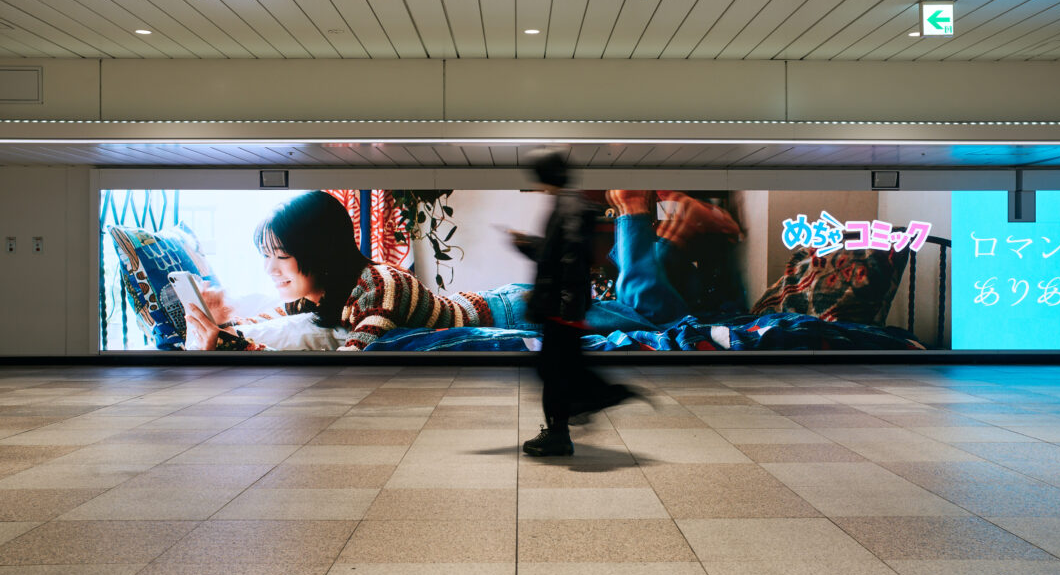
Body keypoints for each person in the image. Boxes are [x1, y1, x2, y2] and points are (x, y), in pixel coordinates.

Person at [184, 187, 741, 356]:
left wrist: (237, 352)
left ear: (320, 253)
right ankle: (685, 233)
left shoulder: (373, 287)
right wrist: (228, 326)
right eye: (267, 257)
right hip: (502, 298)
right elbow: (272, 316)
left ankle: (640, 213)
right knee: (628, 303)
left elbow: (352, 358)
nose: (271, 269)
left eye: (280, 256)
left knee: (646, 316)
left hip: (515, 308)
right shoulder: (327, 292)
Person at [516, 150, 644, 457]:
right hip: (565, 306)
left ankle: (562, 431)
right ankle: (593, 402)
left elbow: (570, 259)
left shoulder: (569, 207)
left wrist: (564, 306)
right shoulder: (568, 203)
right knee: (560, 369)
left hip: (563, 309)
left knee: (552, 371)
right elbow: (557, 254)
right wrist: (528, 245)